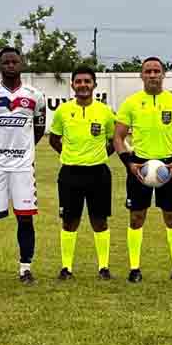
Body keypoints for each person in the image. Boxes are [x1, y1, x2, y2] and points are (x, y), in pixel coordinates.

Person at [113, 57, 172, 283]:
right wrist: (129, 163)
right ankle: (134, 269)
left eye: (156, 71)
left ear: (163, 74)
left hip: (167, 167)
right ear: (141, 75)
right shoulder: (131, 103)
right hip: (139, 167)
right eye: (148, 71)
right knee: (136, 217)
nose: (152, 75)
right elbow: (118, 137)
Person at [0, 47, 46, 285]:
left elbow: (39, 128)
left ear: (21, 64)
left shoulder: (35, 95)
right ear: (0, 65)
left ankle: (25, 270)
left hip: (23, 168)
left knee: (25, 219)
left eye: (14, 61)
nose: (10, 65)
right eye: (6, 62)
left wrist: (24, 151)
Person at [49, 66, 115, 281]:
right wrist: (70, 155)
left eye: (87, 81)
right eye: (79, 81)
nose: (83, 85)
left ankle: (103, 267)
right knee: (69, 221)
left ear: (94, 84)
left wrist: (99, 155)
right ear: (72, 85)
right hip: (70, 174)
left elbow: (114, 140)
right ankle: (66, 267)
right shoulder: (63, 111)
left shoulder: (105, 111)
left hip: (99, 173)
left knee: (99, 221)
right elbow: (54, 139)